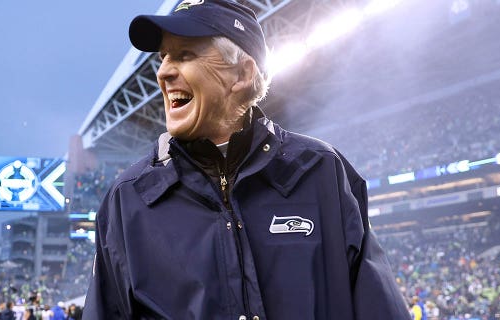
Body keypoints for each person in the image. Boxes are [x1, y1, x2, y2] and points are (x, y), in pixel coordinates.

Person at [83, 0, 411, 319]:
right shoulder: (128, 200)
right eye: (164, 57)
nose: (164, 72)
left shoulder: (321, 172)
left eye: (184, 55)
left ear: (242, 74)